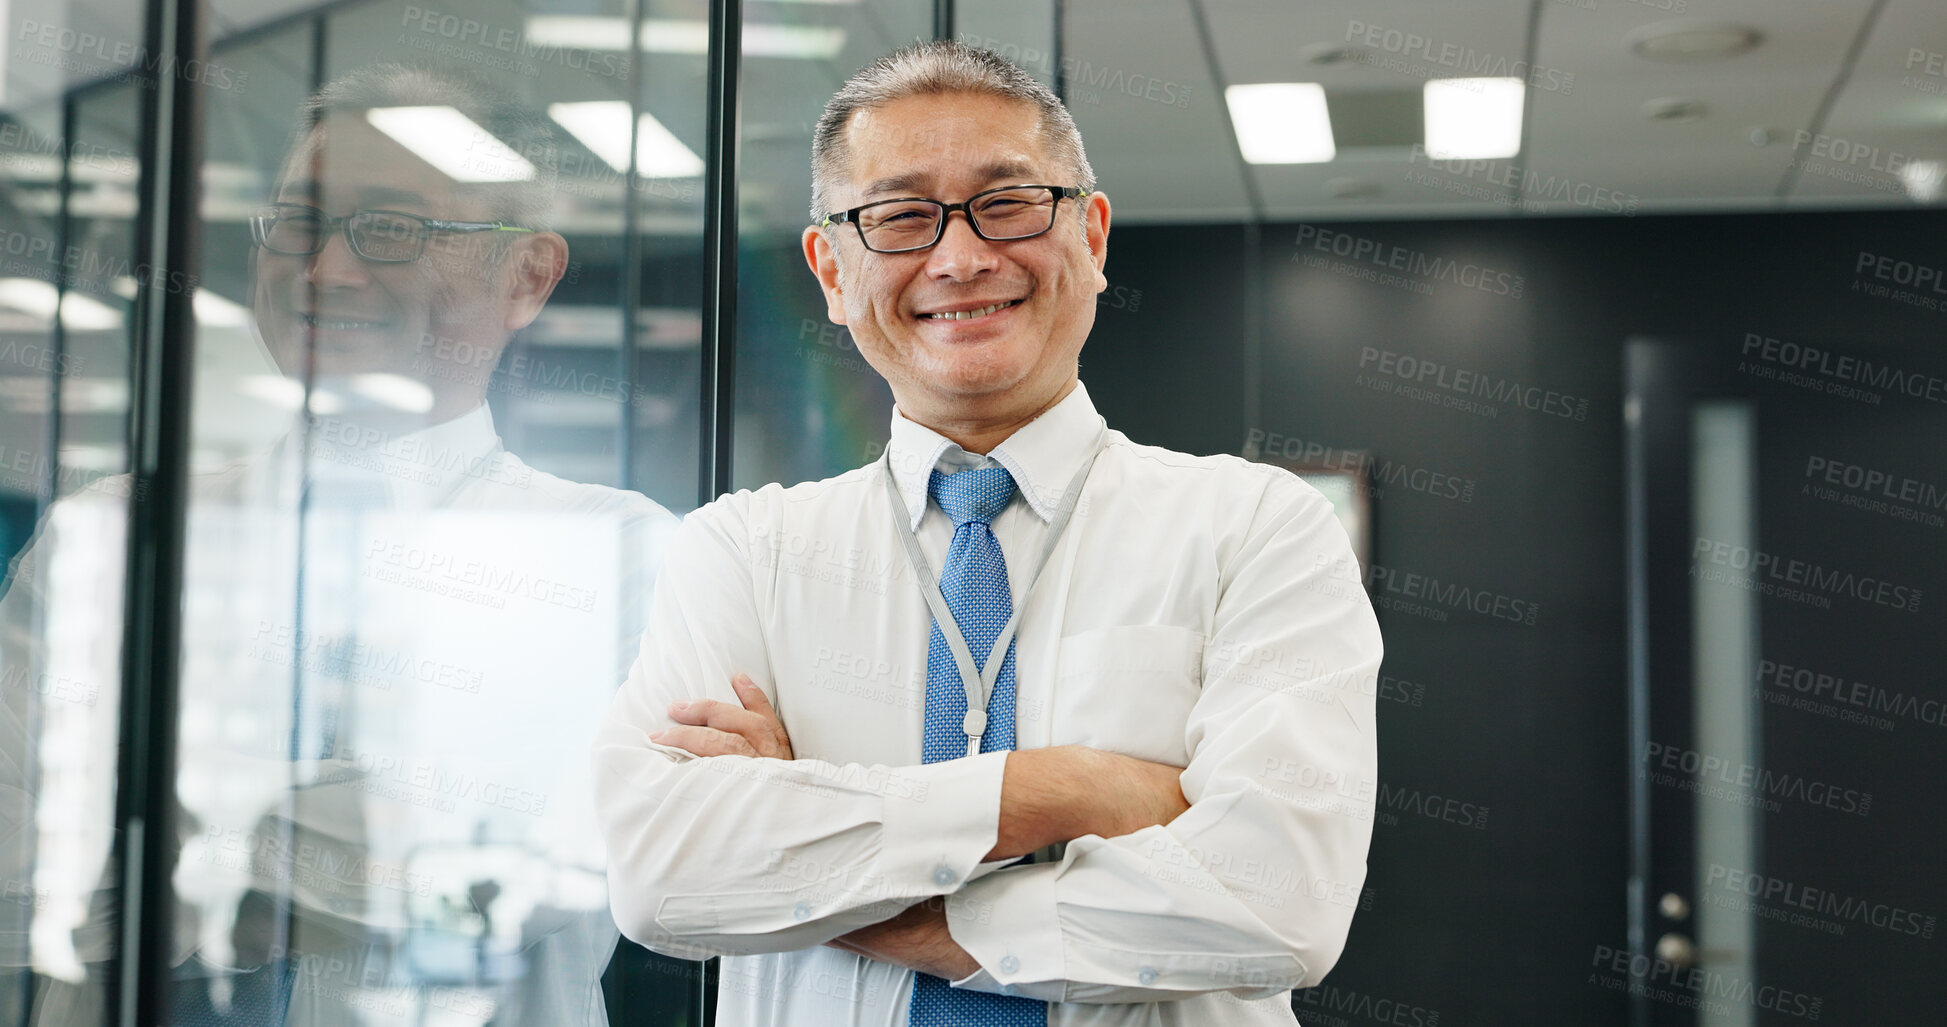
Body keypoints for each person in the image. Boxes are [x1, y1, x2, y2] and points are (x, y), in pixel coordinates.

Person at [595, 41, 1382, 1025]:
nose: (961, 257)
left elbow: (1280, 906)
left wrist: (810, 852)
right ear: (832, 271)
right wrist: (1076, 788)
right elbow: (664, 878)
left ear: (1091, 236)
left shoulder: (1256, 528)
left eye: (1008, 203)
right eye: (899, 216)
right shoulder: (743, 552)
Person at [0, 65, 675, 1025]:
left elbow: (514, 879)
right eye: (299, 224)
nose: (325, 271)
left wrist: (182, 830)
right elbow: (12, 862)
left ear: (526, 276)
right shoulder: (110, 533)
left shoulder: (620, 557)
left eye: (390, 230)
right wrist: (322, 840)